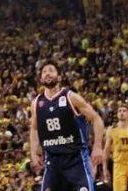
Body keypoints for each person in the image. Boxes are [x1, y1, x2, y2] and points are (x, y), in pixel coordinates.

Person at [30, 60, 105, 191]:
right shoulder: (36, 103)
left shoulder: (71, 97)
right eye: (44, 72)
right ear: (41, 78)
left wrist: (97, 146)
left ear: (59, 77)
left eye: (51, 70)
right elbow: (34, 129)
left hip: (76, 160)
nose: (47, 73)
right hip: (53, 162)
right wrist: (34, 154)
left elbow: (96, 119)